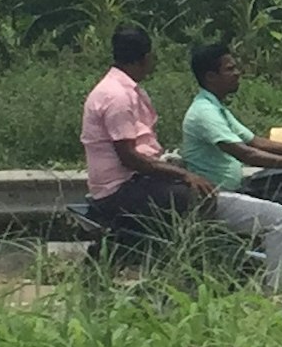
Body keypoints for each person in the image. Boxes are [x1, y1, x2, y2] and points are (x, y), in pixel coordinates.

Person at [176, 40, 282, 289]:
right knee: (280, 218)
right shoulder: (204, 112)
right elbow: (245, 153)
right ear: (211, 76)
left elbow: (255, 141)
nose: (237, 73)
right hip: (214, 196)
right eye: (230, 69)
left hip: (228, 190)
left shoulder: (217, 108)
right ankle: (276, 294)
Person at [79, 24, 217, 245]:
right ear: (145, 58)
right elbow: (129, 158)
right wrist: (183, 175)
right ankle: (186, 257)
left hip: (130, 182)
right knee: (196, 197)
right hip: (119, 189)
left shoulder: (121, 89)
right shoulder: (117, 97)